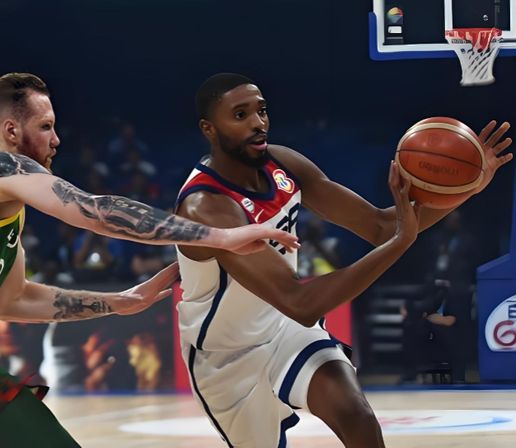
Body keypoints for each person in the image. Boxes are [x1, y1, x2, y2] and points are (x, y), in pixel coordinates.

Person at [0, 72, 299, 448]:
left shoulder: (7, 205)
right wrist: (222, 236)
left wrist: (119, 302)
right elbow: (94, 210)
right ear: (11, 131)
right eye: (46, 126)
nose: (57, 139)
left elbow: (14, 301)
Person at [174, 73, 512, 448]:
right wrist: (401, 242)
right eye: (241, 115)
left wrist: (465, 187)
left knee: (357, 415)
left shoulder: (283, 164)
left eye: (262, 111)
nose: (258, 123)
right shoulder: (206, 206)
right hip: (226, 354)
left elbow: (380, 226)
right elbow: (301, 302)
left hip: (285, 328)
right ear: (209, 128)